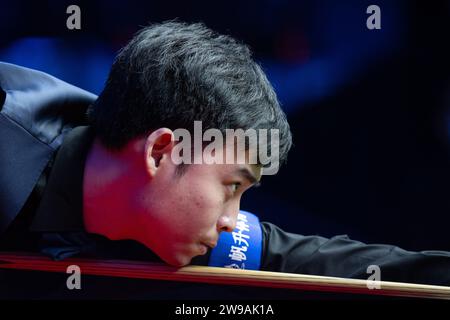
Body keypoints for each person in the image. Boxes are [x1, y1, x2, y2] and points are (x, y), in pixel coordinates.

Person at [0, 21, 449, 288]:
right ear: (161, 151)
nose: (233, 219)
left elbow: (307, 259)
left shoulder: (168, 220)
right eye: (231, 187)